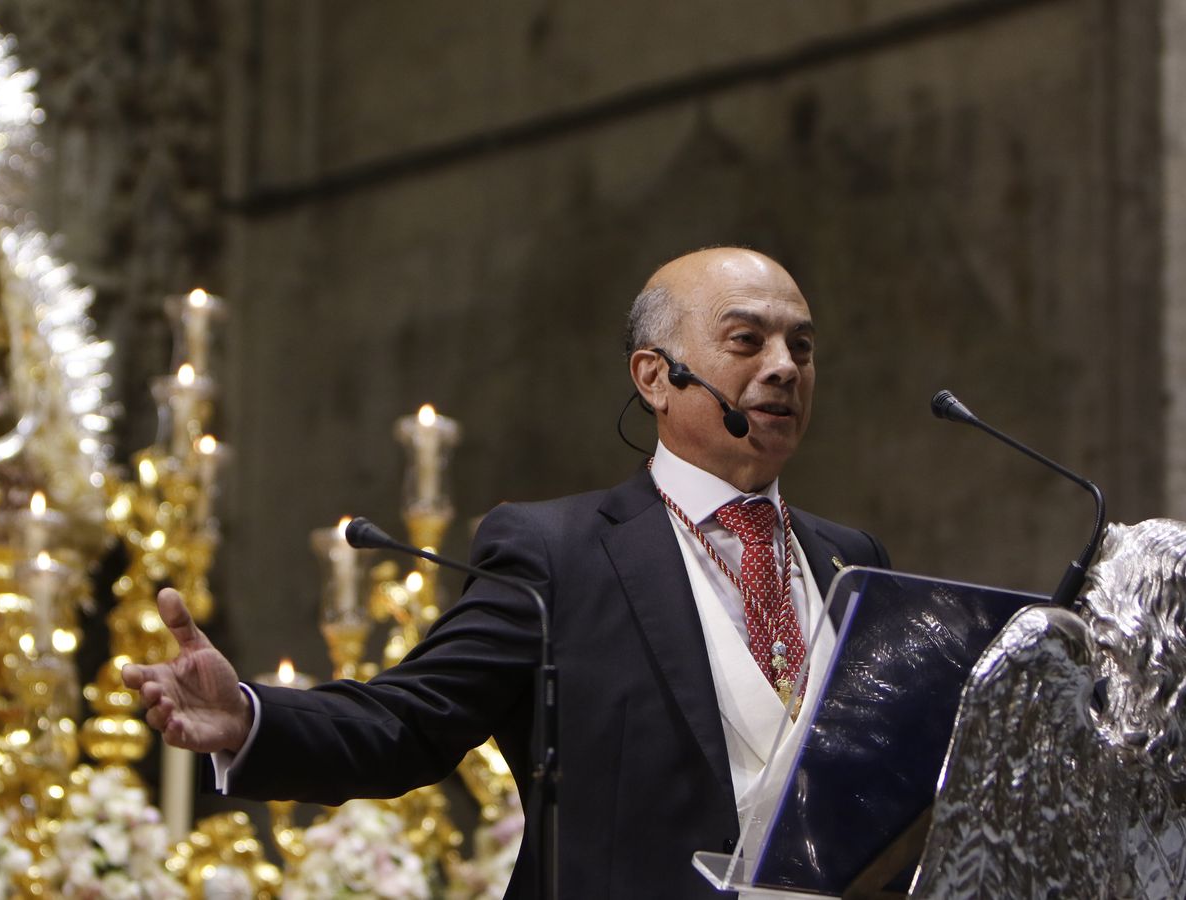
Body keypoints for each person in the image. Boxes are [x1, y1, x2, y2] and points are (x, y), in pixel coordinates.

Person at [123, 247, 891, 898]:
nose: (785, 368)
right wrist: (252, 719)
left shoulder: (852, 562)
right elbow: (411, 722)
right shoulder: (554, 553)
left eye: (803, 347)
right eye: (748, 341)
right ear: (656, 377)